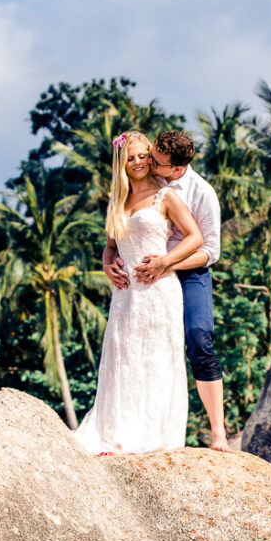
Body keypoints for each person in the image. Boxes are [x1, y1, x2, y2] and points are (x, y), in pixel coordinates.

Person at [74, 131, 204, 455]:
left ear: (151, 157)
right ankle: (117, 433)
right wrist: (107, 265)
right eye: (129, 157)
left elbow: (195, 237)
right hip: (125, 296)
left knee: (157, 359)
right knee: (123, 359)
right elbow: (109, 247)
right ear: (122, 161)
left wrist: (166, 261)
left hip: (159, 291)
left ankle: (154, 436)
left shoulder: (166, 196)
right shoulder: (117, 200)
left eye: (142, 156)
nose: (137, 162)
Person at [115, 129, 231, 452]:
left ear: (176, 169)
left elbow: (210, 250)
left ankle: (218, 432)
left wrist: (168, 263)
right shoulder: (139, 181)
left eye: (157, 162)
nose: (149, 161)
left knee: (198, 337)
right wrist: (110, 260)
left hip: (189, 271)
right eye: (150, 154)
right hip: (148, 270)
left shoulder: (201, 193)